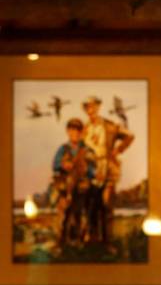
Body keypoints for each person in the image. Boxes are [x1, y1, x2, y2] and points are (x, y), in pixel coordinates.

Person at [81, 96, 134, 247]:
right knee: (90, 205)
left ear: (98, 107)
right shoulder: (84, 129)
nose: (90, 110)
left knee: (106, 204)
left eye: (93, 107)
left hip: (108, 169)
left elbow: (130, 136)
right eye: (87, 108)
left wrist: (118, 150)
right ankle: (91, 240)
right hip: (90, 171)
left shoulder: (110, 126)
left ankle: (107, 242)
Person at [50, 118, 96, 248]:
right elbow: (55, 165)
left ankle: (79, 241)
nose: (74, 133)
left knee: (79, 214)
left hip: (81, 189)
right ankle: (61, 242)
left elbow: (93, 169)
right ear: (67, 132)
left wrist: (87, 170)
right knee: (64, 214)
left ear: (81, 133)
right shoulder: (63, 149)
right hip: (65, 188)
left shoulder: (87, 150)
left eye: (77, 131)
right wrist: (64, 165)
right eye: (71, 130)